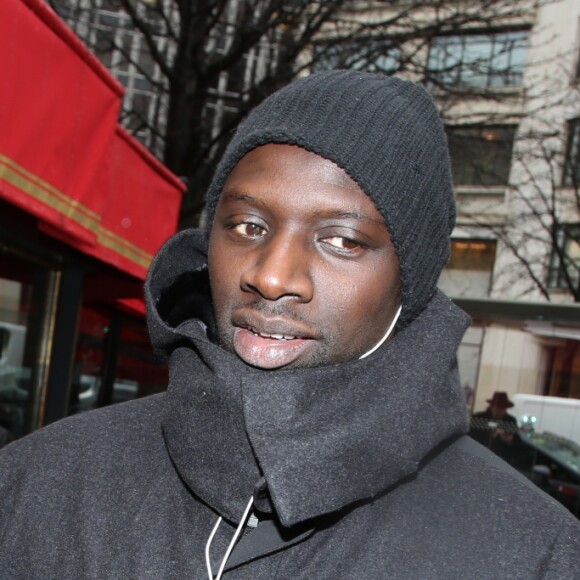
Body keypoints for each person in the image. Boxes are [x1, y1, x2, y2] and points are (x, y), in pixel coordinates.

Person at [0, 70, 578, 578]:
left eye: (342, 240)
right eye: (248, 226)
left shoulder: (532, 555)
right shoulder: (38, 482)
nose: (273, 277)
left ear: (412, 279)